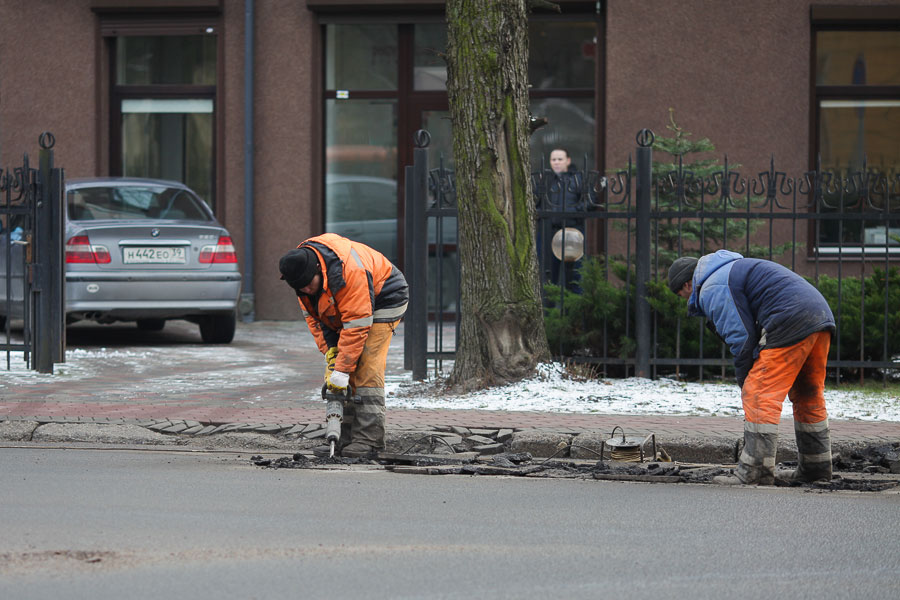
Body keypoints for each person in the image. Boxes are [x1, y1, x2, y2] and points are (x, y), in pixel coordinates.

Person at [668, 250, 835, 486]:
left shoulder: (711, 286)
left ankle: (755, 471)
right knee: (807, 393)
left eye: (681, 294)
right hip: (819, 316)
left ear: (687, 283)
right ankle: (816, 468)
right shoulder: (731, 270)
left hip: (788, 318)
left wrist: (745, 380)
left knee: (758, 393)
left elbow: (742, 339)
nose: (685, 299)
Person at [279, 233, 408, 458]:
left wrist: (343, 368)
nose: (307, 291)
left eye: (310, 286)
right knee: (340, 373)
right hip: (347, 311)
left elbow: (357, 325)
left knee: (366, 366)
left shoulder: (351, 272)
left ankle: (369, 440)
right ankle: (342, 437)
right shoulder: (302, 280)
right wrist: (331, 354)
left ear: (319, 270)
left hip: (385, 298)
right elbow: (315, 321)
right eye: (301, 289)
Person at [537, 147, 588, 292]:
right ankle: (547, 312)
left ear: (568, 160)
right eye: (553, 160)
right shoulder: (545, 180)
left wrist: (570, 212)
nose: (556, 163)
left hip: (572, 231)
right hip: (548, 231)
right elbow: (535, 202)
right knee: (547, 275)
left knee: (574, 275)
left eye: (560, 159)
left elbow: (589, 202)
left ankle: (573, 311)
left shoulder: (578, 179)